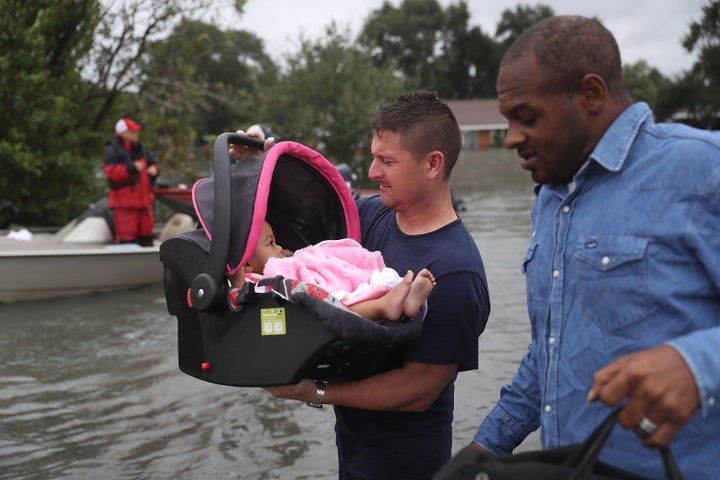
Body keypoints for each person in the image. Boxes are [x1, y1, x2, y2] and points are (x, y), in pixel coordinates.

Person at [471, 15, 720, 478]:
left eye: (526, 118)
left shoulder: (702, 171)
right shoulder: (549, 199)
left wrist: (696, 364)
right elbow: (552, 351)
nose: (510, 139)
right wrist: (485, 446)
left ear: (590, 95)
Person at [231, 91, 491, 479]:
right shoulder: (369, 216)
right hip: (352, 452)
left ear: (432, 164)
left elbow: (418, 391)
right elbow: (288, 253)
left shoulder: (455, 271)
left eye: (386, 161)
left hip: (407, 467)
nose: (372, 172)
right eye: (373, 156)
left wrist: (315, 391)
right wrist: (256, 173)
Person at [232, 219, 436, 322]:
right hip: (311, 316)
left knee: (351, 288)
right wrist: (239, 281)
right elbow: (238, 300)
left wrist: (292, 261)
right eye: (270, 244)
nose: (278, 248)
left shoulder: (276, 268)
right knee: (337, 305)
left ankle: (405, 301)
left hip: (317, 293)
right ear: (247, 264)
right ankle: (383, 307)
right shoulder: (252, 283)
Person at [102, 117, 160, 246]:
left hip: (144, 203)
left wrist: (155, 169)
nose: (136, 133)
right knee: (126, 239)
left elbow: (154, 163)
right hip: (125, 205)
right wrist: (132, 168)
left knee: (147, 237)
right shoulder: (112, 150)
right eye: (132, 131)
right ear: (123, 133)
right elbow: (111, 173)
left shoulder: (141, 148)